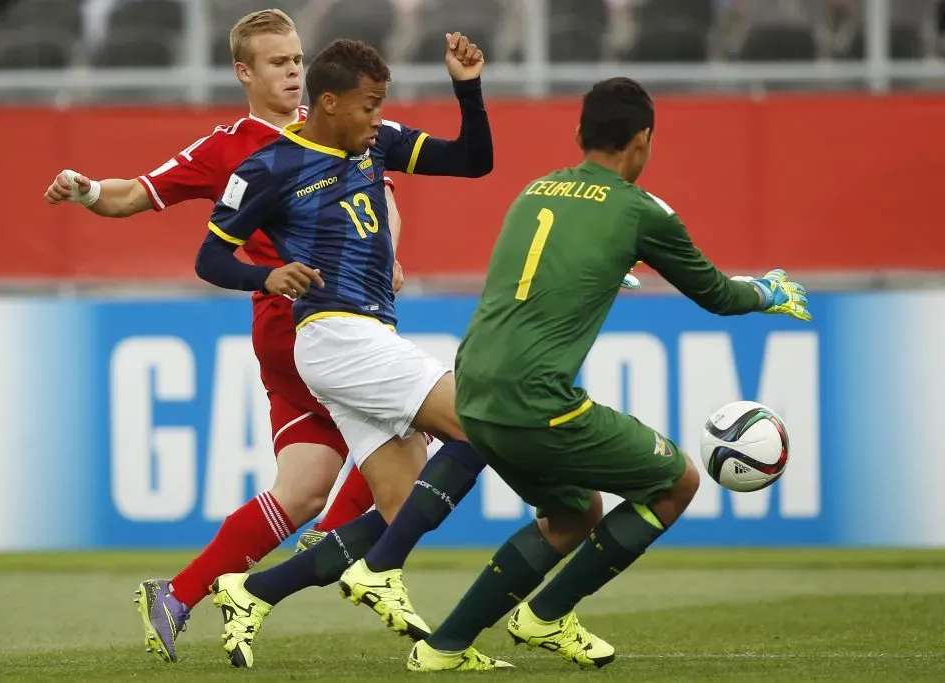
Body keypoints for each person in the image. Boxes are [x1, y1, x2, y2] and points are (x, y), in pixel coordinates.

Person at [407, 77, 811, 672]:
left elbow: (534, 272)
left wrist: (596, 273)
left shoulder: (534, 190)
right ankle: (544, 617)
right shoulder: (640, 211)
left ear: (579, 134)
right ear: (642, 141)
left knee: (572, 515)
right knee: (677, 482)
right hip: (535, 400)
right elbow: (717, 295)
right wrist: (766, 292)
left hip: (471, 395)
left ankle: (441, 650)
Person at [42, 9, 400, 663]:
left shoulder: (335, 124)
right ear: (245, 72)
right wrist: (87, 188)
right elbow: (134, 194)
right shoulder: (229, 147)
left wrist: (387, 258)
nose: (293, 71)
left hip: (323, 322)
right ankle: (335, 546)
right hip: (303, 319)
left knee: (301, 485)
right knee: (423, 419)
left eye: (296, 59)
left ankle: (177, 594)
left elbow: (382, 198)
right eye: (277, 62)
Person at [194, 34, 494, 669]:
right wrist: (264, 276)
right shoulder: (267, 169)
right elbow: (209, 256)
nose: (378, 118)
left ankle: (253, 589)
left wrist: (467, 88)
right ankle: (380, 572)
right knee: (485, 424)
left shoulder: (376, 143)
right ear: (329, 104)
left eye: (382, 105)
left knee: (403, 505)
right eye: (369, 106)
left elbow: (473, 161)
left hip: (367, 337)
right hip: (334, 336)